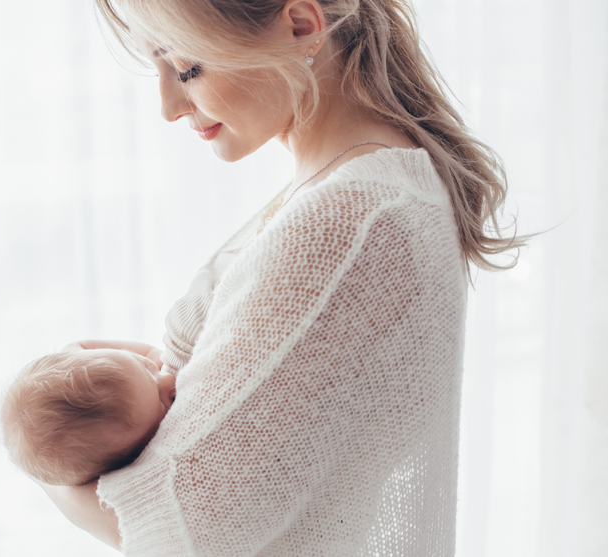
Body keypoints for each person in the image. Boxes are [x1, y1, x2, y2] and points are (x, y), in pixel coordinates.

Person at [34, 0, 525, 555]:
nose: (168, 107)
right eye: (159, 69)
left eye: (187, 68)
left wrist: (43, 459)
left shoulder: (349, 220)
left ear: (301, 26)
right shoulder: (352, 183)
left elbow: (188, 526)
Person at [0, 343, 176, 486]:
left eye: (146, 366)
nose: (170, 379)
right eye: (161, 403)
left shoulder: (82, 353)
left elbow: (151, 353)